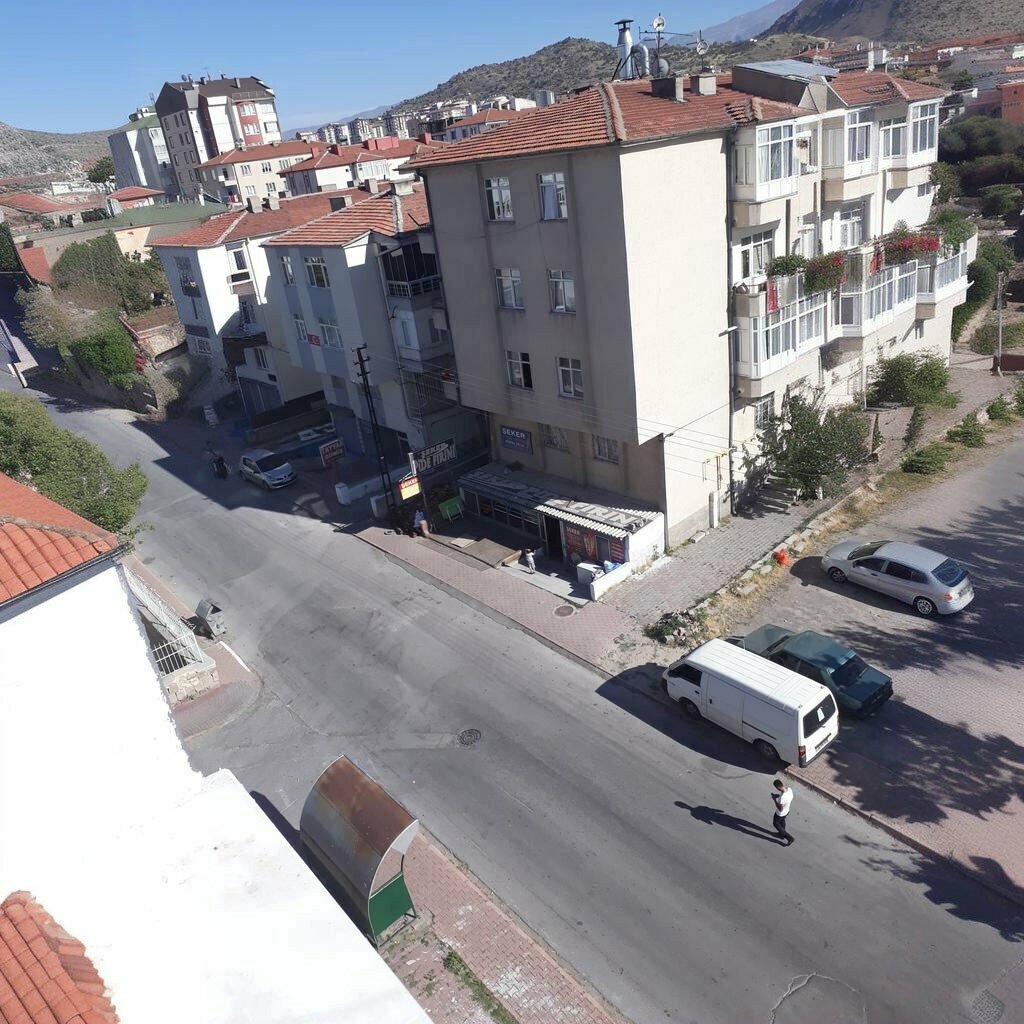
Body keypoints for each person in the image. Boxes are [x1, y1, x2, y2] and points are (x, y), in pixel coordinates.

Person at [771, 779, 794, 846]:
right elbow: (785, 796)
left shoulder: (782, 798)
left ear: (777, 787)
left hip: (780, 814)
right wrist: (778, 796)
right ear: (782, 784)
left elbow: (780, 809)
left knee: (776, 823)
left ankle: (790, 838)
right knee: (782, 822)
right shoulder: (789, 789)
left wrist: (774, 800)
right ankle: (781, 834)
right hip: (787, 811)